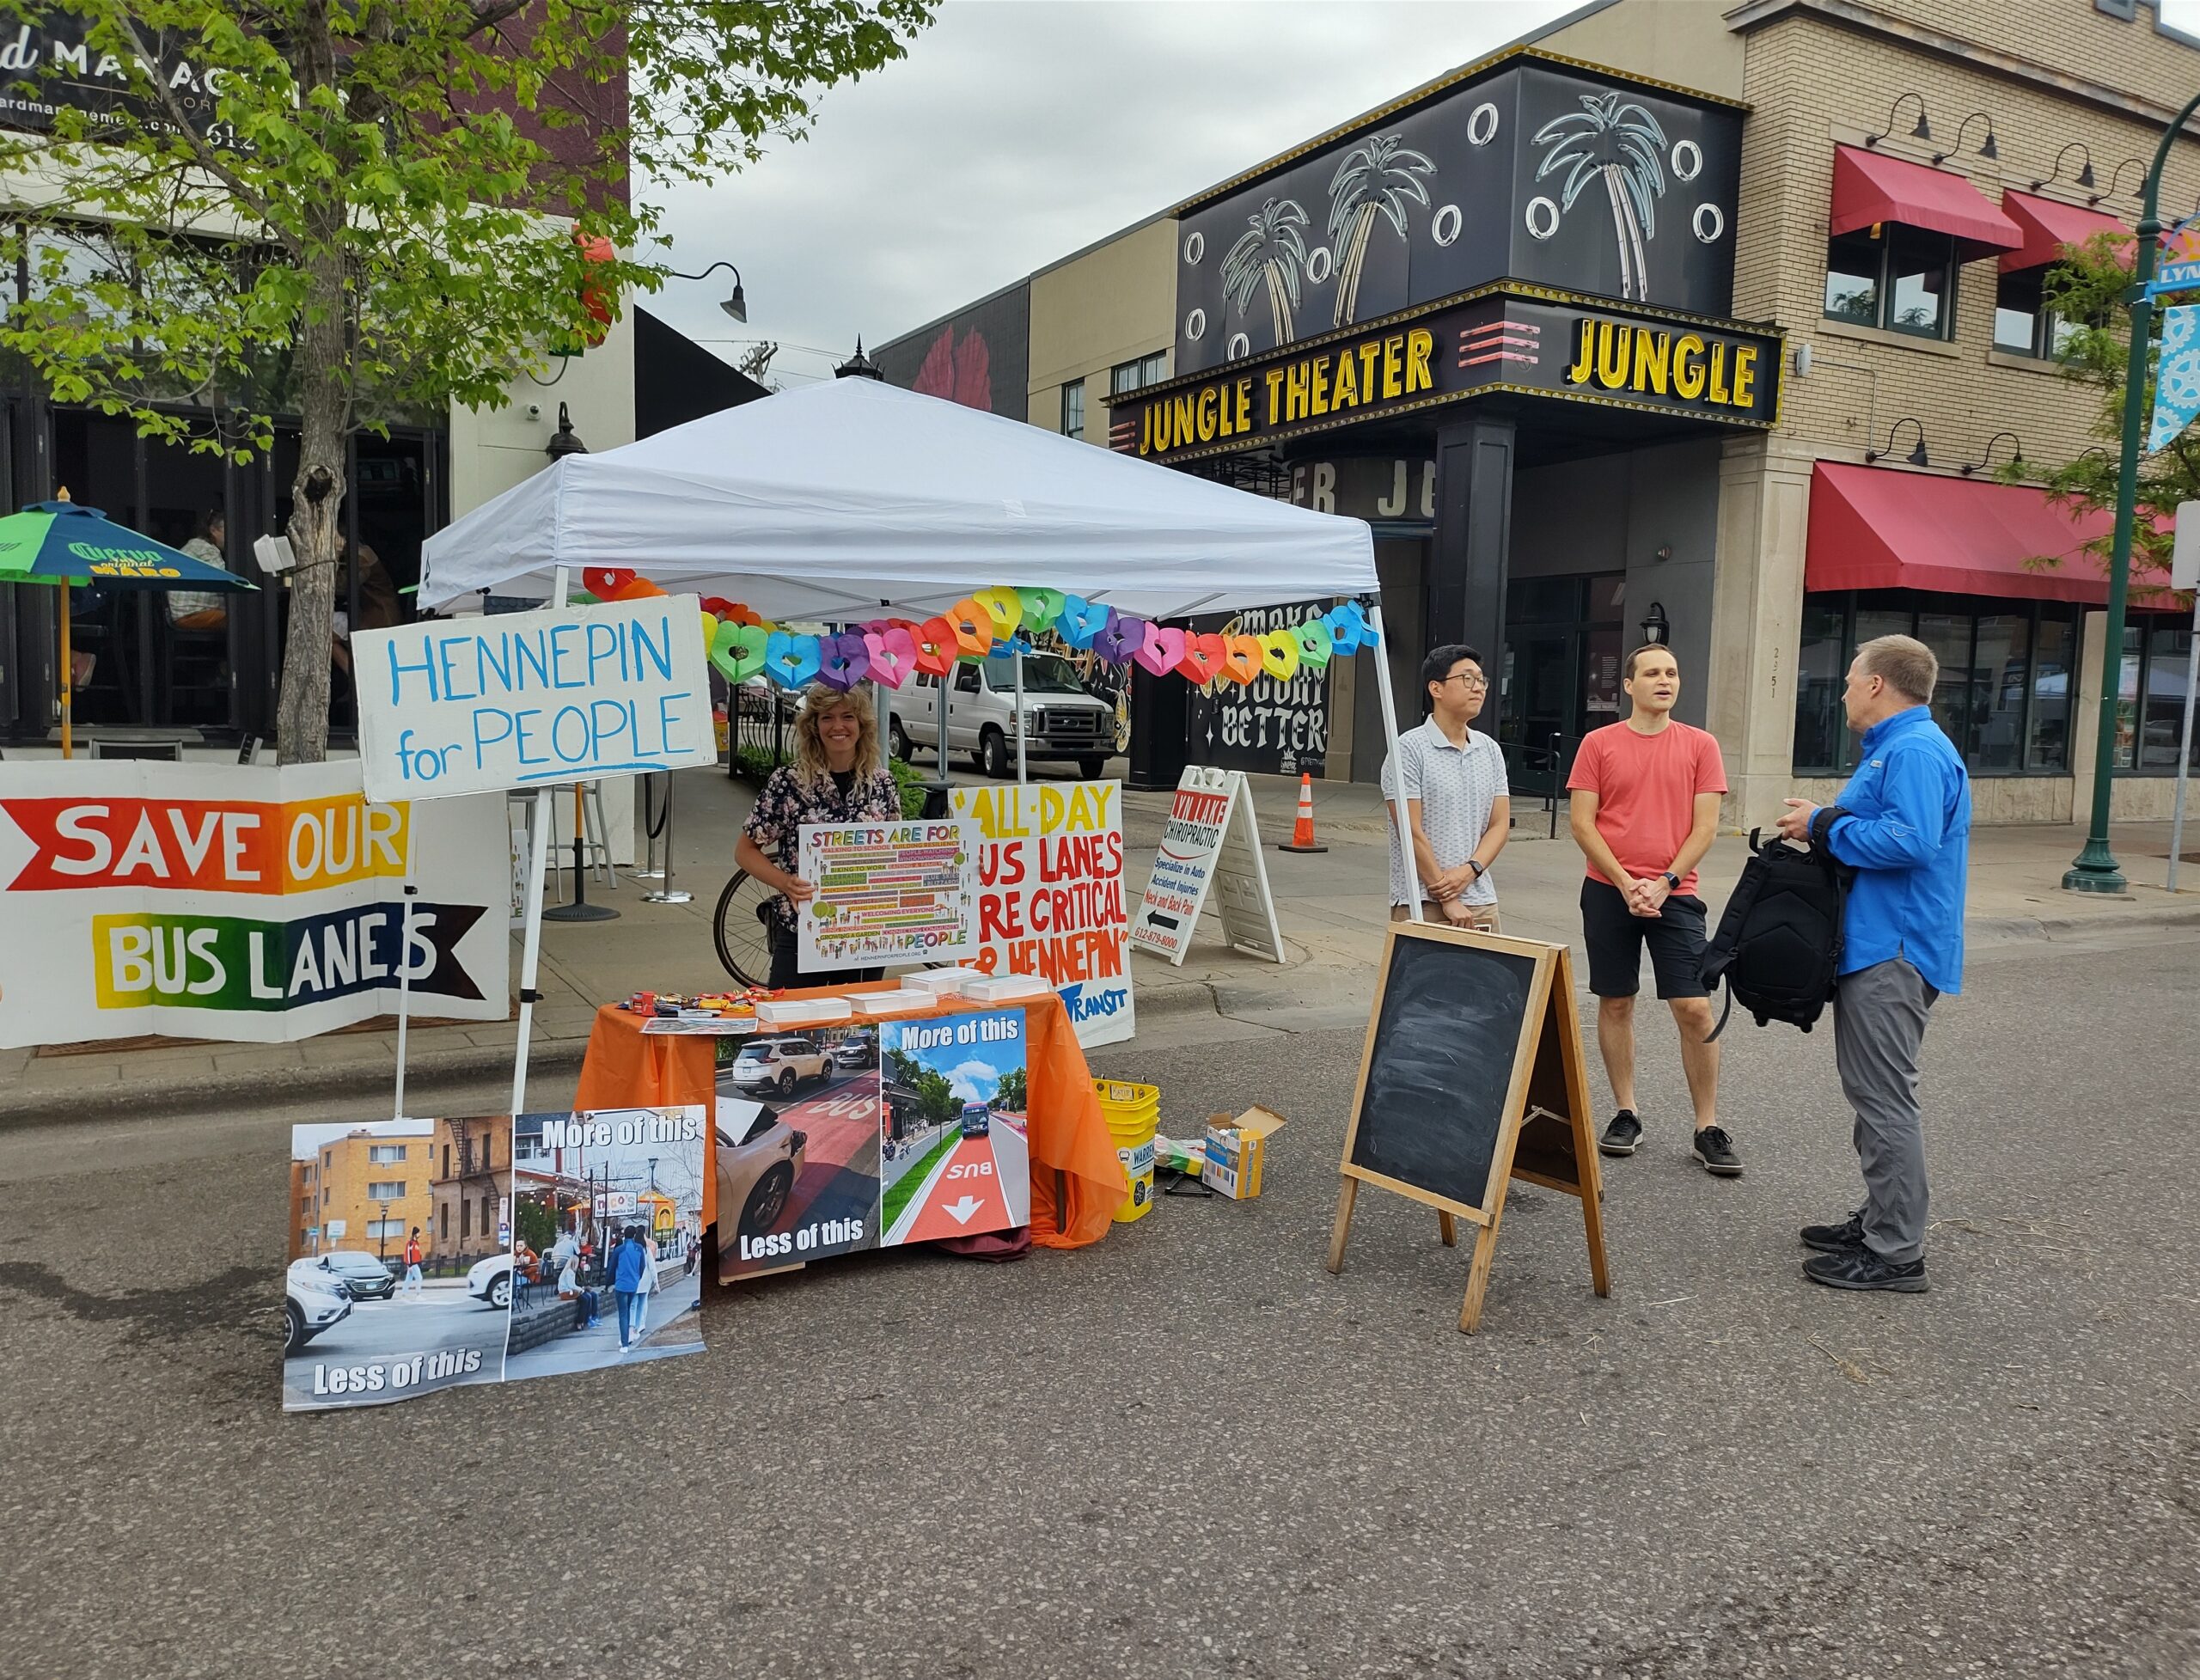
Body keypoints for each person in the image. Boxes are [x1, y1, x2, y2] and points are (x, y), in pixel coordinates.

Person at [1775, 634, 1970, 1294]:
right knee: (1874, 1096)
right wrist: (1824, 821)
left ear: (1879, 684)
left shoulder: (1912, 750)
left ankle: (1895, 1253)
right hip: (1884, 946)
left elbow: (1911, 841)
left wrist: (1825, 823)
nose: (1845, 691)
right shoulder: (1900, 749)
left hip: (1895, 950)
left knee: (1886, 1100)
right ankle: (1882, 1218)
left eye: (1852, 679)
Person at [1567, 644, 1735, 1175]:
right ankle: (1626, 1112)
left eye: (1673, 671)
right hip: (1607, 890)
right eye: (1653, 673)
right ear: (1631, 686)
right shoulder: (1597, 744)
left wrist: (1662, 883)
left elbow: (1704, 827)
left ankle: (1707, 1126)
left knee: (1695, 1007)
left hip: (1676, 895)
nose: (1665, 680)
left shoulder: (1700, 745)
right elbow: (1582, 823)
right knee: (1616, 1001)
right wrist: (1624, 882)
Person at [736, 685, 904, 989]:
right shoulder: (788, 782)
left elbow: (896, 855)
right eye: (827, 717)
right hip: (803, 929)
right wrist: (785, 883)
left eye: (848, 717)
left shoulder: (882, 784)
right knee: (791, 1026)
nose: (838, 726)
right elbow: (746, 851)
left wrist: (962, 863)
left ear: (862, 724)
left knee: (855, 1029)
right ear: (814, 726)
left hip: (864, 934)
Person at [1380, 643, 1509, 931]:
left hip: (1480, 898)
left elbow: (1499, 825)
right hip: (1421, 901)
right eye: (1467, 679)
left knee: (1485, 977)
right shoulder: (1409, 749)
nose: (1478, 687)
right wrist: (1445, 895)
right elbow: (1410, 831)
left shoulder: (1489, 750)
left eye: (1481, 680)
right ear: (1436, 689)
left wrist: (1470, 870)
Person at [169, 510, 230, 631]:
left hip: (185, 612)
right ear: (213, 530)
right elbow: (225, 578)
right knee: (241, 618)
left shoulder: (196, 546)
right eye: (227, 530)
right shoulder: (205, 549)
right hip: (192, 614)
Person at [612, 1222, 653, 1351]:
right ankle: (636, 1327)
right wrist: (639, 1277)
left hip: (623, 1284)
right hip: (637, 1283)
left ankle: (626, 1338)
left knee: (626, 1311)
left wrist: (609, 1283)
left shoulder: (621, 1249)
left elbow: (612, 1267)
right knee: (639, 1304)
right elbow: (645, 1265)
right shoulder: (641, 1248)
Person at [400, 1228, 424, 1298]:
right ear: (415, 1234)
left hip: (414, 1264)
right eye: (418, 1233)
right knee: (419, 1278)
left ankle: (403, 1294)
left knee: (408, 1280)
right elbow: (408, 1254)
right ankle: (418, 1294)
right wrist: (409, 1265)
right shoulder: (411, 1243)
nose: (419, 1234)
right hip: (413, 1264)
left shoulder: (415, 1243)